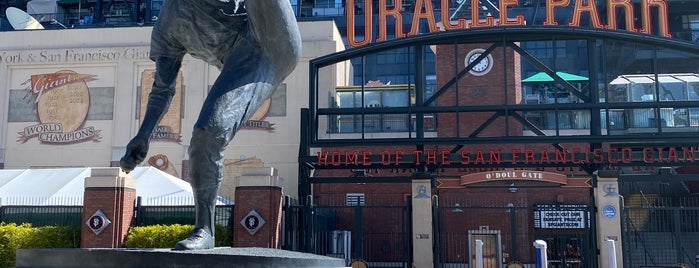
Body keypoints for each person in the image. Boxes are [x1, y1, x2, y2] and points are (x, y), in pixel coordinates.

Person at [119, 0, 301, 250]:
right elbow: (162, 89)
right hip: (244, 64)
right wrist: (144, 134)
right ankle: (204, 229)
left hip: (269, 35)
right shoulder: (167, 25)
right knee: (206, 135)